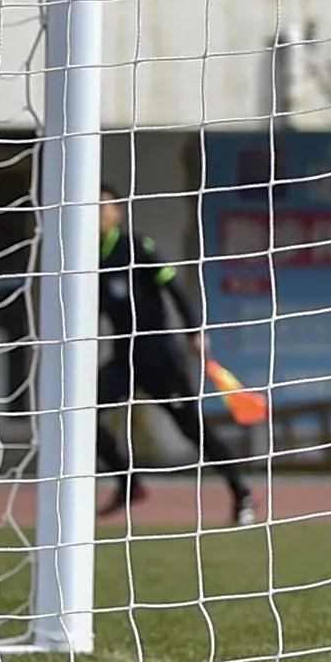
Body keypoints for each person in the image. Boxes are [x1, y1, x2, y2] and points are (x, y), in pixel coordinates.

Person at [97, 190, 258, 527]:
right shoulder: (89, 257)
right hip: (124, 356)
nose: (98, 212)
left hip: (159, 355)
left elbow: (173, 288)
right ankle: (129, 483)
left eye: (104, 206)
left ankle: (242, 493)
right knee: (82, 415)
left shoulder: (136, 246)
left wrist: (194, 331)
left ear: (117, 213)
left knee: (191, 429)